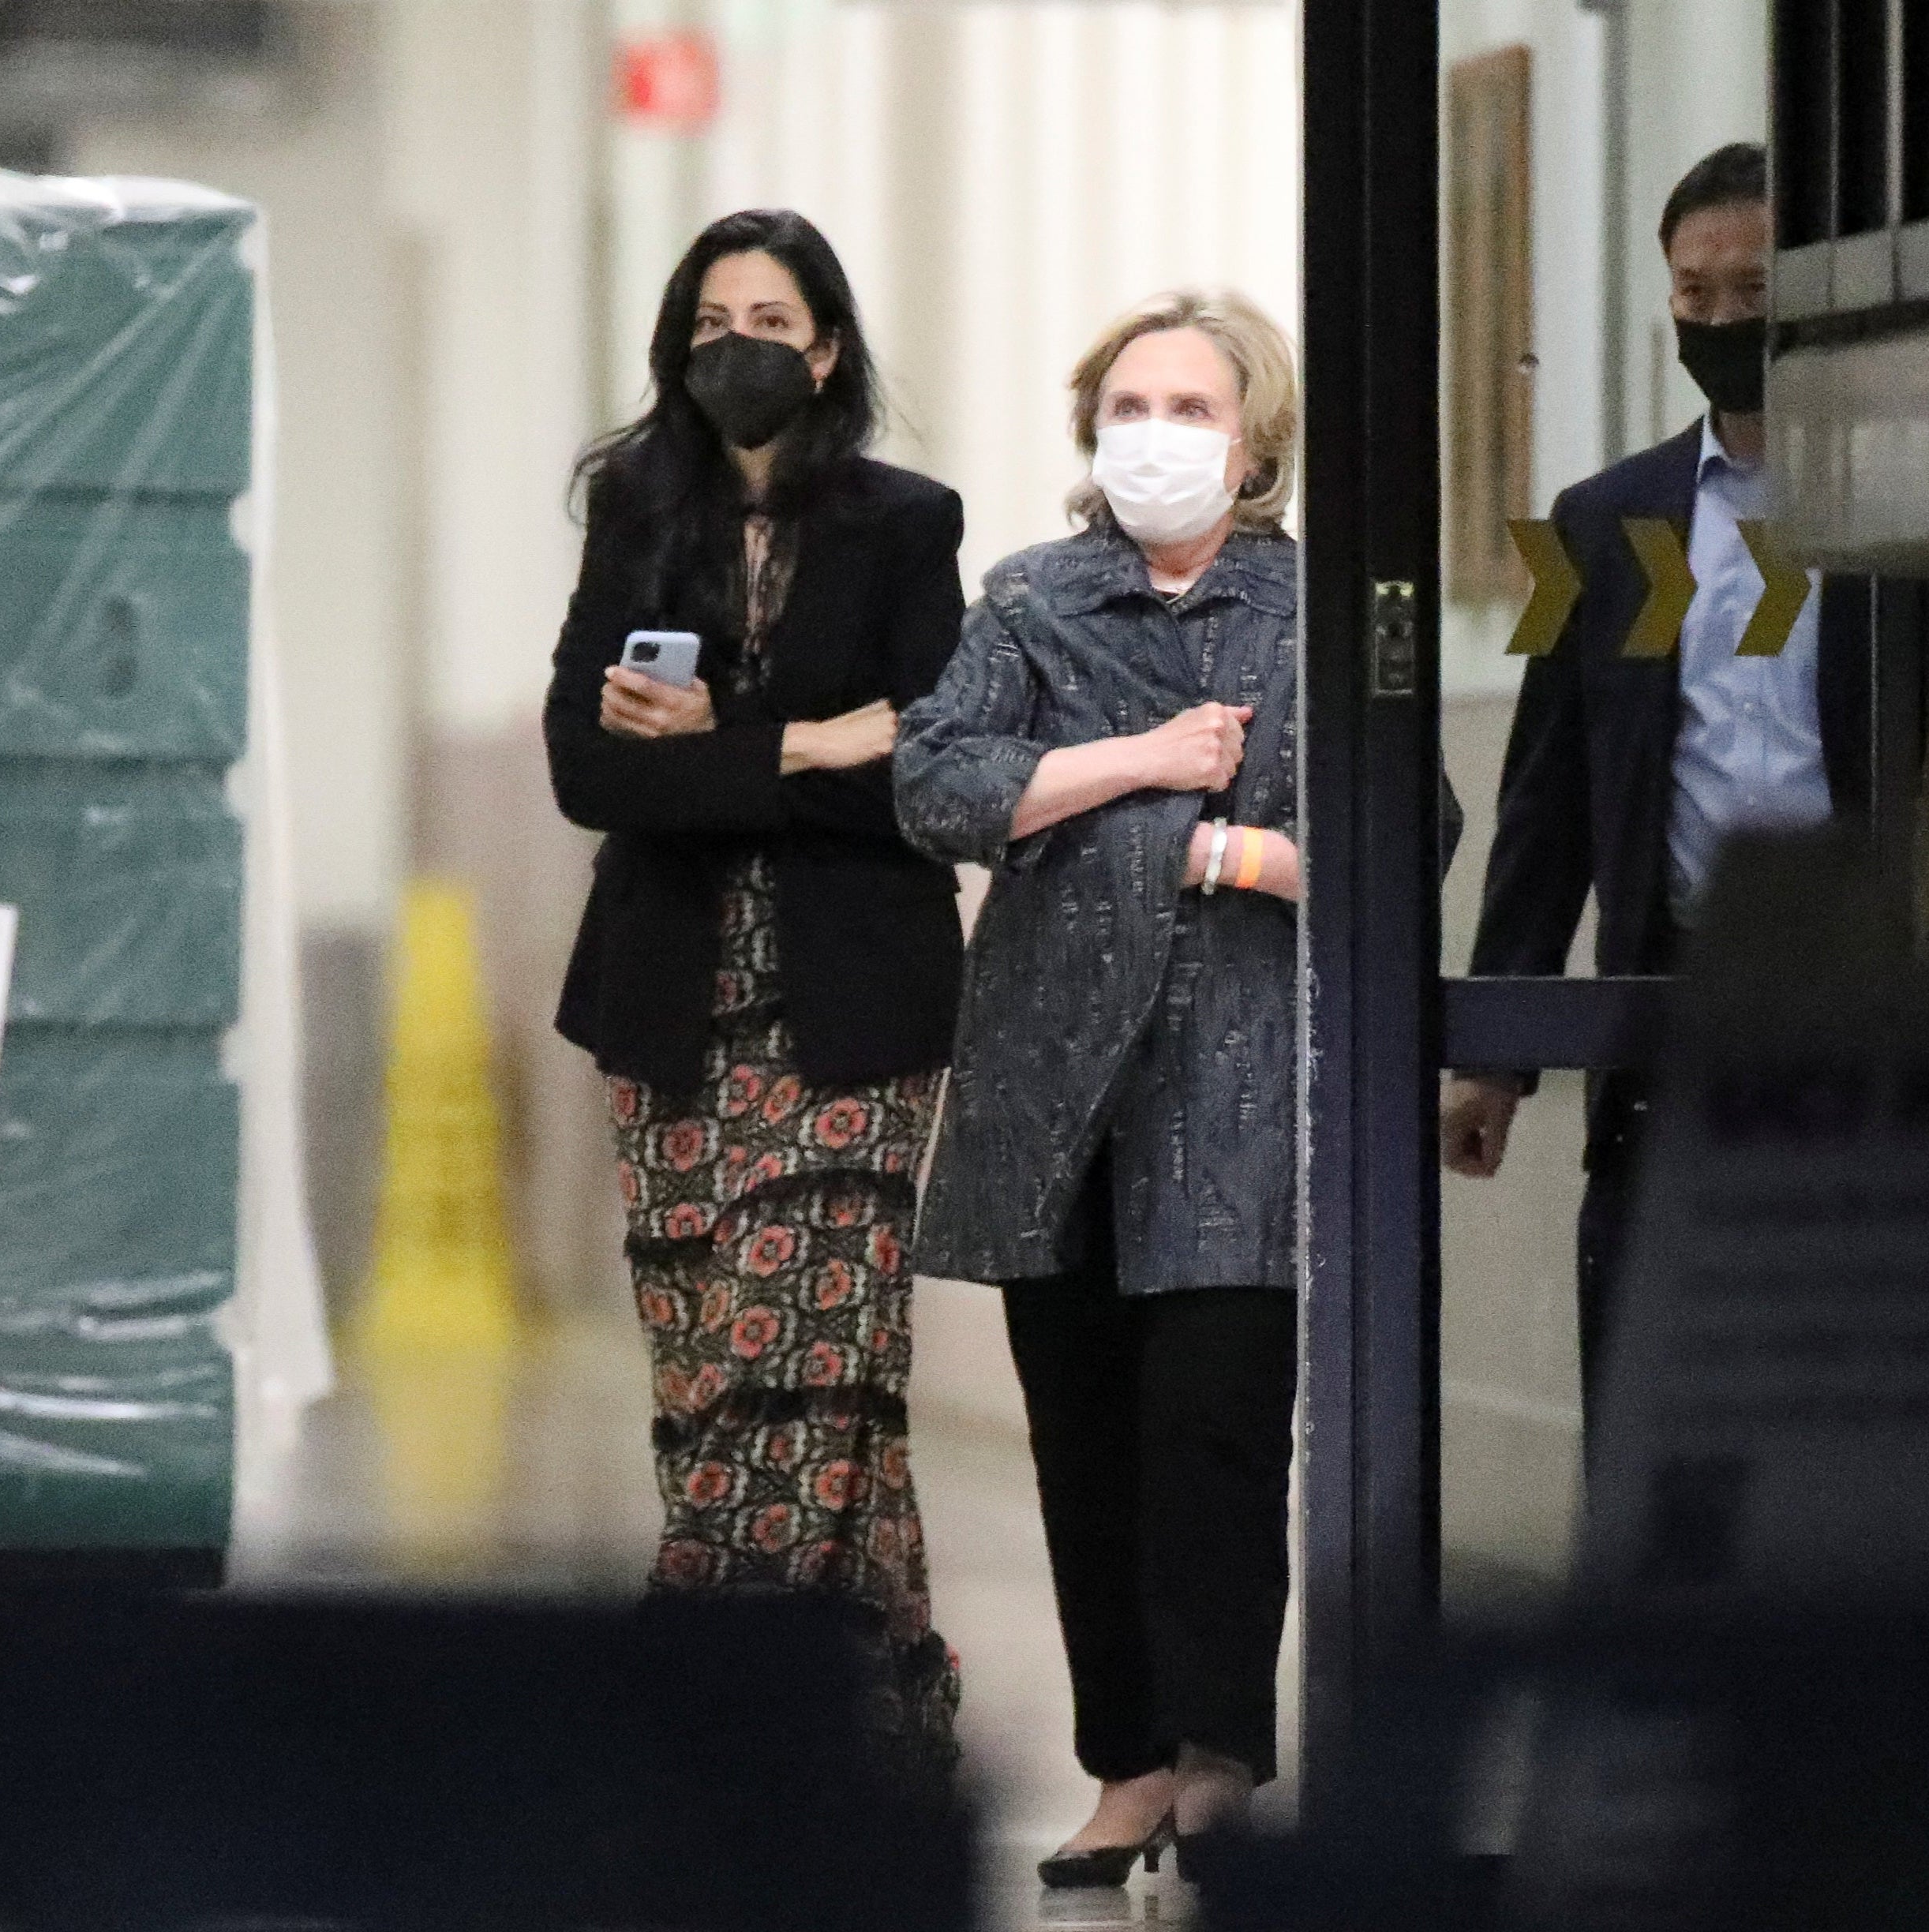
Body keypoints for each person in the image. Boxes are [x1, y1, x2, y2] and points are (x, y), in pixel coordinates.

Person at [543, 208, 968, 1767]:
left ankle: (687, 1706)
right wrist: (808, 740)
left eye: (773, 316)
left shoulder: (909, 525)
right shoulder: (630, 509)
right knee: (724, 1374)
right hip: (665, 1013)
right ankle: (885, 1726)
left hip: (851, 1012)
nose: (742, 342)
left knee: (807, 1360)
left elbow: (931, 768)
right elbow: (587, 770)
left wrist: (721, 751)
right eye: (713, 315)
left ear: (829, 347)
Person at [894, 289, 1302, 1884]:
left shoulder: (1305, 610)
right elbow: (943, 783)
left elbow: (1403, 825)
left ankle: (1217, 1758)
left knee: (1213, 1432)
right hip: (1054, 1091)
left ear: (1253, 435)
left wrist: (1230, 849)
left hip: (1239, 1084)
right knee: (1085, 1438)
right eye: (1128, 407)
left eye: (1189, 410)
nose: (1154, 437)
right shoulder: (1033, 600)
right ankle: (1124, 1764)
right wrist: (1148, 765)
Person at [1440, 143, 1869, 1414]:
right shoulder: (1597, 523)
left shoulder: (1912, 505)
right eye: (1697, 296)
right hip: (1673, 988)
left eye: (1755, 293)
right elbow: (1546, 787)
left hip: (1866, 984)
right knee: (1653, 1378)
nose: (1724, 321)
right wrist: (1496, 1053)